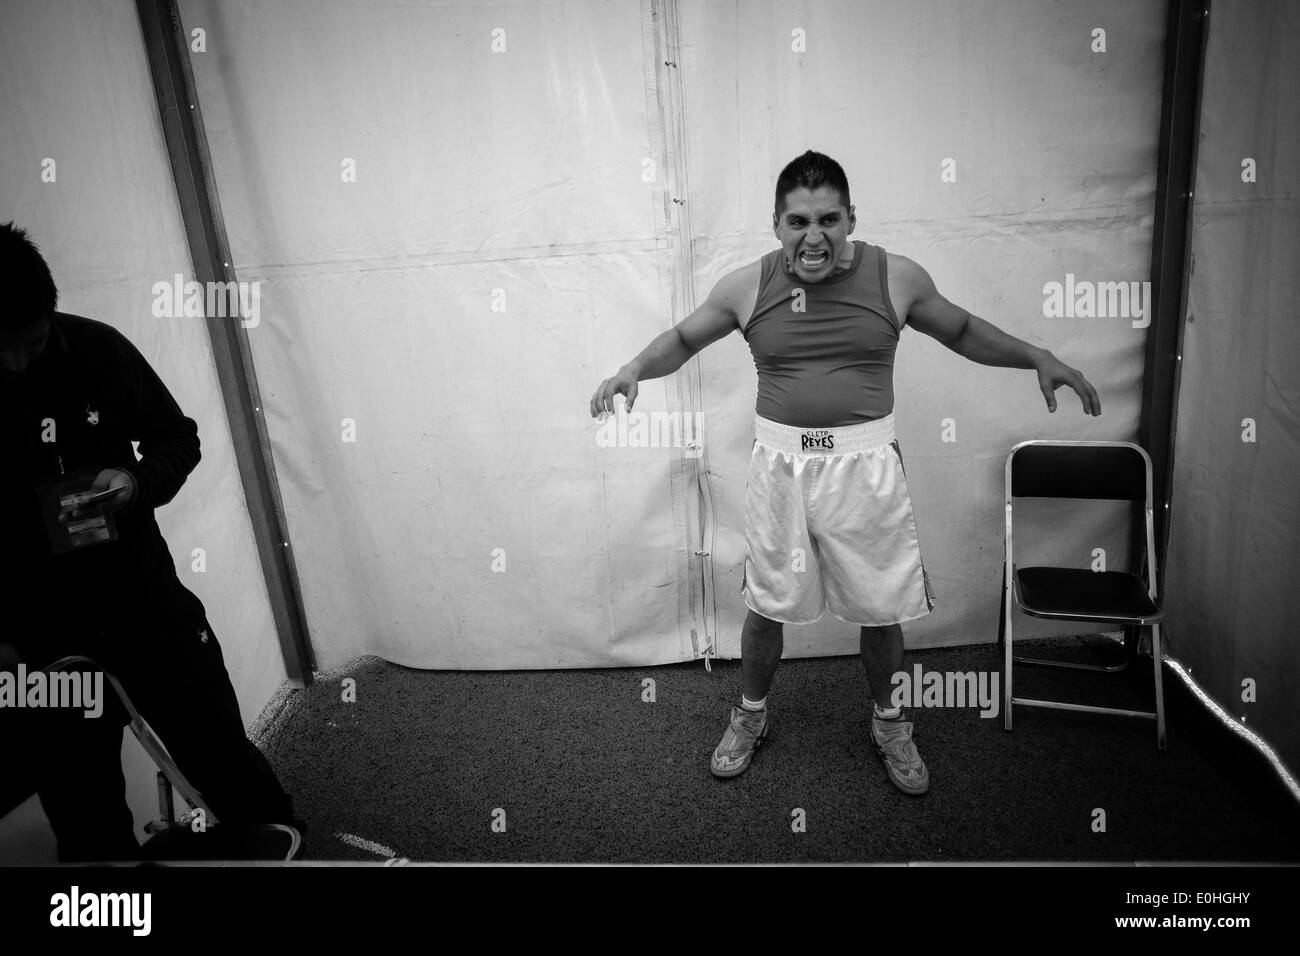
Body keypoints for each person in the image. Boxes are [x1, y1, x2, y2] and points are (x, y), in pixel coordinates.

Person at [589, 151, 1100, 795]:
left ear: (851, 217)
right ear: (776, 224)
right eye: (798, 221)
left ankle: (889, 723)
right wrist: (633, 368)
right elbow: (685, 339)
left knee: (880, 606)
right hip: (781, 466)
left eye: (830, 219)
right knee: (767, 603)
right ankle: (749, 715)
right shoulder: (746, 286)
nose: (815, 236)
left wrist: (1036, 356)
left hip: (865, 465)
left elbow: (964, 330)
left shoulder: (897, 277)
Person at [0, 221, 296, 860]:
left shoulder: (97, 350)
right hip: (43, 641)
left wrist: (135, 481)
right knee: (81, 807)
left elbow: (178, 437)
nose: (14, 363)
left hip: (145, 606)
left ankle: (290, 851)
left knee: (221, 756)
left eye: (28, 344)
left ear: (49, 314)